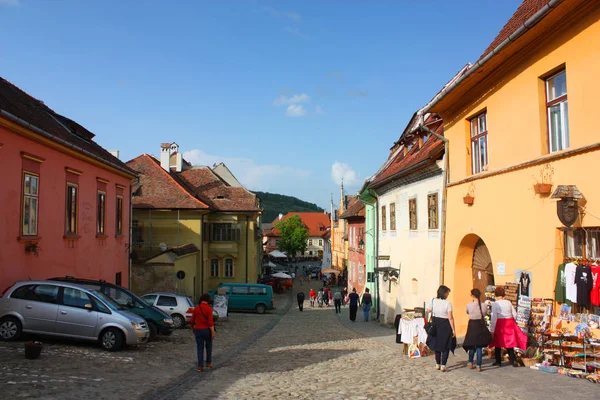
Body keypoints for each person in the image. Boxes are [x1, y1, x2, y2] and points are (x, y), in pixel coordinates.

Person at [490, 286, 527, 367]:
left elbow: (493, 318)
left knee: (497, 343)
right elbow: (515, 314)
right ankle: (513, 360)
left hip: (500, 323)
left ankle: (498, 361)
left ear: (496, 295)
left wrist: (492, 329)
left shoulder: (495, 304)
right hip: (509, 323)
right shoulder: (508, 302)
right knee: (509, 343)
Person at [426, 285, 456, 373]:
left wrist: (434, 310)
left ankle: (437, 364)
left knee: (437, 344)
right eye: (447, 293)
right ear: (444, 293)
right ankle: (443, 365)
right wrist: (453, 329)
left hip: (435, 323)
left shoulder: (432, 300)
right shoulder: (447, 303)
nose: (448, 295)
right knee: (446, 345)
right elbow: (450, 317)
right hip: (445, 324)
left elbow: (428, 310)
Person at [463, 288, 491, 372]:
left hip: (472, 325)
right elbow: (485, 313)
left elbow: (467, 312)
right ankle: (479, 365)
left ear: (472, 296)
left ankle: (471, 362)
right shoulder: (484, 305)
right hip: (480, 325)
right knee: (479, 346)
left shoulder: (469, 305)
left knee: (471, 345)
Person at [190, 294, 215, 372]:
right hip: (207, 330)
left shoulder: (197, 308)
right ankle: (208, 363)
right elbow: (210, 322)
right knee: (208, 347)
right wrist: (213, 332)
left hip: (198, 330)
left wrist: (193, 328)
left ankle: (200, 366)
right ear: (208, 300)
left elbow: (192, 320)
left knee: (200, 348)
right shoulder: (209, 309)